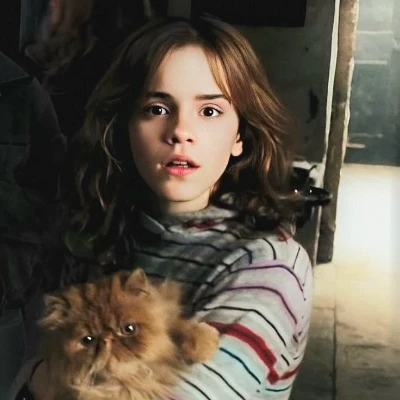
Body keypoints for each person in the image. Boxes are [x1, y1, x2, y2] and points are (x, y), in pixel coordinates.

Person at [10, 14, 313, 400]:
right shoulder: (101, 234)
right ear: (124, 126)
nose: (180, 132)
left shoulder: (268, 266)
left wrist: (46, 377)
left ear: (241, 135)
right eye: (156, 108)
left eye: (209, 111)